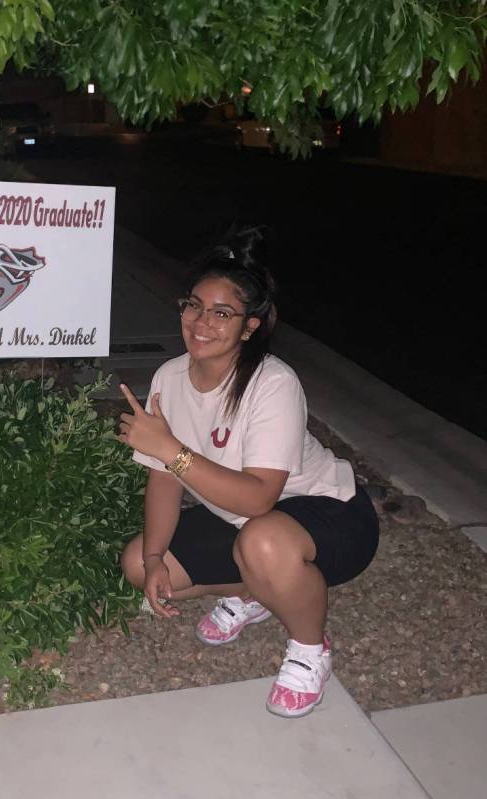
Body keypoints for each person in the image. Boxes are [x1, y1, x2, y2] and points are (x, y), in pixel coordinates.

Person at [117, 226, 379, 718]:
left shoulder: (272, 383)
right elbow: (164, 479)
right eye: (193, 306)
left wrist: (170, 448)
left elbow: (259, 499)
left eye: (222, 313)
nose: (201, 322)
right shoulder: (168, 377)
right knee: (136, 564)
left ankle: (309, 649)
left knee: (262, 540)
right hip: (244, 520)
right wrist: (155, 556)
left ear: (250, 327)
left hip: (332, 516)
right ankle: (255, 591)